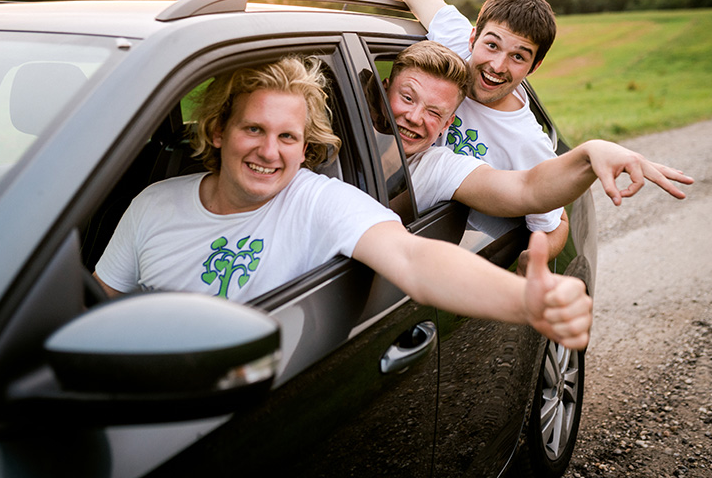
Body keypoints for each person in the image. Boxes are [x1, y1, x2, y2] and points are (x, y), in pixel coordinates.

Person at [93, 56, 593, 349]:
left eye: (288, 137)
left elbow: (414, 258)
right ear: (218, 130)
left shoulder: (320, 202)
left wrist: (523, 300)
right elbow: (97, 310)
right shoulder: (152, 205)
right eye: (254, 129)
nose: (270, 152)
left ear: (305, 146)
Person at [311, 0, 570, 258]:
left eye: (519, 57)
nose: (498, 65)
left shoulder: (527, 143)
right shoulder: (451, 38)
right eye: (491, 45)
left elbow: (554, 223)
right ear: (472, 37)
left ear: (534, 67)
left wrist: (532, 265)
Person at [378, 40, 692, 220]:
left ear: (448, 124)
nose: (416, 117)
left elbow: (528, 188)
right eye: (407, 98)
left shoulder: (438, 166)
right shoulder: (331, 135)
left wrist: (590, 152)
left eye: (434, 112)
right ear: (384, 89)